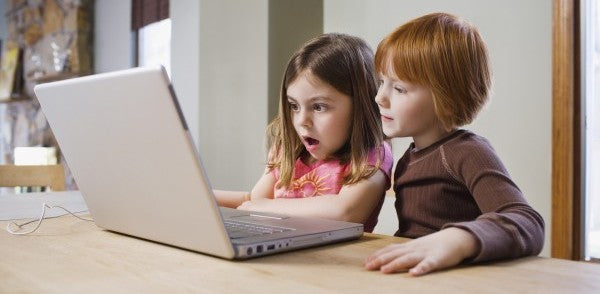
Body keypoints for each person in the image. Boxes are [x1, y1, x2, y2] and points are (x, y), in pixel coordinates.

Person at [365, 13, 544, 275]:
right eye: (382, 82)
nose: (380, 97)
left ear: (446, 96)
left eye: (400, 89)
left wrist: (458, 239)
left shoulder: (467, 152)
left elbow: (527, 222)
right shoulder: (409, 157)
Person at [214, 33, 393, 232]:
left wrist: (267, 207)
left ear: (360, 105)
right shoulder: (289, 151)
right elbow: (253, 201)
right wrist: (200, 196)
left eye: (318, 107)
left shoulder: (372, 155)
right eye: (294, 105)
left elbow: (346, 212)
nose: (301, 121)